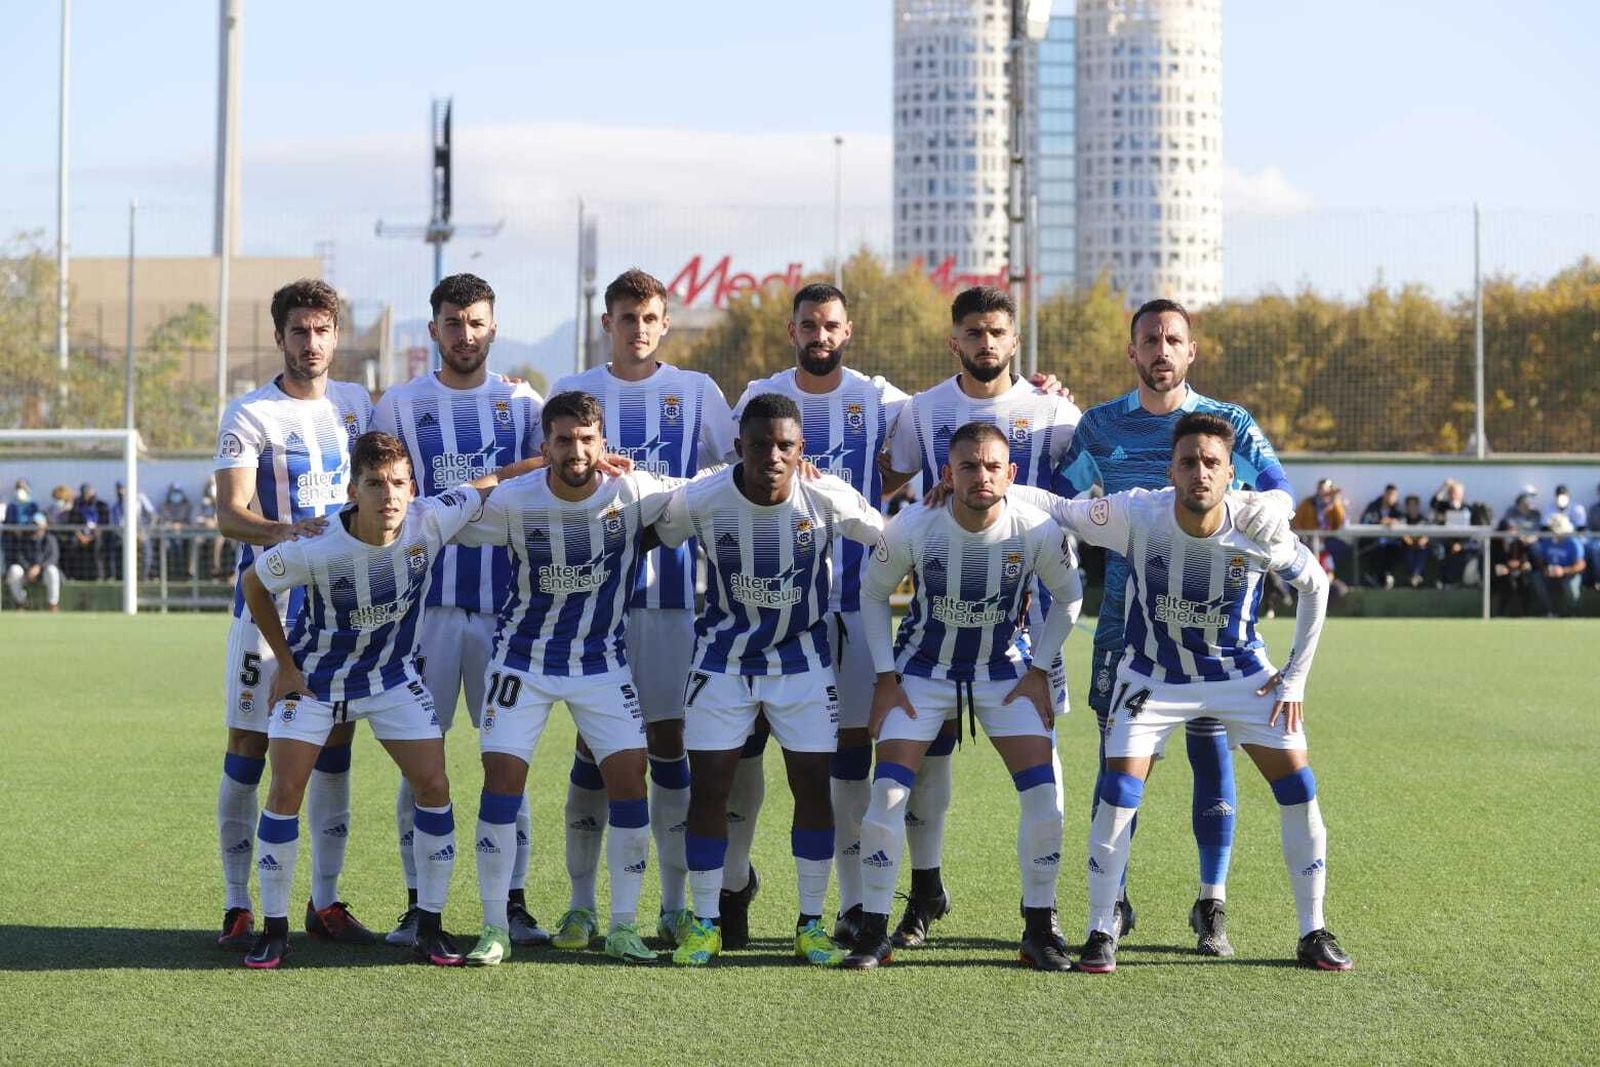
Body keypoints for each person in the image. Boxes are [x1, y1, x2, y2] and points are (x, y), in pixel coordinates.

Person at [1043, 412, 1347, 974]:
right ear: (1171, 470)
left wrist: (1296, 676)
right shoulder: (1137, 512)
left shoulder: (1258, 523)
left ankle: (1313, 930)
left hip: (1240, 674)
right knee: (1118, 791)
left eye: (1212, 463)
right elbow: (1056, 507)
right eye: (1188, 462)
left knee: (1300, 787)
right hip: (1153, 677)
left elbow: (1316, 585)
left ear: (1231, 474)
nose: (1199, 473)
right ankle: (1099, 930)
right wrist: (979, 486)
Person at [1051, 297, 1293, 957]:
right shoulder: (1100, 428)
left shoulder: (1228, 424)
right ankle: (1114, 904)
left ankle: (1211, 902)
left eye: (1173, 339)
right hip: (1127, 637)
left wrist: (1267, 506)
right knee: (1120, 770)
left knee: (1213, 757)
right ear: (1132, 352)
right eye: (1150, 339)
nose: (1162, 349)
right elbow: (1058, 503)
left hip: (1215, 637)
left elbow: (1279, 489)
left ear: (1191, 351)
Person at [238, 431, 524, 968]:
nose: (388, 495)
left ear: (412, 487)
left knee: (435, 786)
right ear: (353, 489)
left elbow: (494, 481)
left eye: (397, 483)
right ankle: (274, 930)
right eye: (374, 484)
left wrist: (574, 460)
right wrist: (286, 665)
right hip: (318, 684)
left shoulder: (430, 519)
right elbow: (255, 581)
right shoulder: (318, 544)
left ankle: (430, 926)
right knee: (284, 792)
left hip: (391, 681)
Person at [452, 391, 691, 966]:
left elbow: (704, 490)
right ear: (547, 447)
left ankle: (624, 926)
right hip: (522, 663)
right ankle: (494, 927)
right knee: (501, 784)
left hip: (602, 664)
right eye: (564, 440)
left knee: (631, 783)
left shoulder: (634, 491)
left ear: (604, 444)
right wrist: (512, 471)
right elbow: (450, 513)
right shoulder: (515, 499)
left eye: (587, 439)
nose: (576, 450)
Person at [651, 392, 885, 967]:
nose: (772, 456)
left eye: (785, 446)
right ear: (740, 447)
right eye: (760, 445)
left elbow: (890, 539)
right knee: (710, 790)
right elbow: (658, 531)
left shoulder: (826, 496)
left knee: (812, 789)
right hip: (721, 663)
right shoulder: (704, 497)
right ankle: (704, 921)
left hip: (804, 661)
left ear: (801, 449)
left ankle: (810, 923)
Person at [880, 284, 1081, 949]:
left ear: (1014, 339)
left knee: (1049, 781)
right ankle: (923, 891)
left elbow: (1084, 491)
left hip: (1025, 627)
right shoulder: (924, 407)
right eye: (974, 332)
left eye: (998, 332)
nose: (986, 343)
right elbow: (887, 478)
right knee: (926, 772)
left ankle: (1060, 913)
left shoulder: (1052, 408)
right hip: (934, 627)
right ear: (954, 339)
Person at [845, 422, 1082, 971]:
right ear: (947, 475)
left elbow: (1069, 598)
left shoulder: (1038, 529)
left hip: (1006, 671)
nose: (981, 476)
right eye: (969, 467)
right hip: (923, 671)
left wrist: (1040, 669)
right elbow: (872, 593)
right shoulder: (913, 526)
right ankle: (875, 930)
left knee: (1044, 797)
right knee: (887, 794)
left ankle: (1039, 927)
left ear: (1011, 474)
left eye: (993, 467)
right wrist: (885, 676)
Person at [546, 269, 736, 950]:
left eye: (649, 316)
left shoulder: (697, 393)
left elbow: (731, 477)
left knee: (668, 746)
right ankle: (579, 906)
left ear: (665, 322)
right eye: (626, 316)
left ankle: (675, 904)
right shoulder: (577, 395)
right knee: (592, 752)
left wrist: (651, 486)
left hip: (676, 602)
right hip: (596, 609)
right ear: (607, 323)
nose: (638, 327)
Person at [371, 273, 551, 949]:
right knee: (423, 759)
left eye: (476, 322)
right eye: (453, 321)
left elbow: (550, 482)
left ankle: (514, 900)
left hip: (508, 612)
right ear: (434, 330)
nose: (465, 334)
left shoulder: (523, 403)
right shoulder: (401, 403)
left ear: (493, 328)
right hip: (424, 614)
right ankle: (422, 904)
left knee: (509, 756)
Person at [727, 282, 910, 946]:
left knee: (848, 759)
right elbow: (726, 484)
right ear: (792, 330)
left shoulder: (878, 397)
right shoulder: (758, 395)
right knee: (744, 752)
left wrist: (1042, 388)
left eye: (831, 325)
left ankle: (854, 906)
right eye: (809, 325)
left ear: (848, 329)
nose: (820, 335)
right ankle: (733, 884)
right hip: (764, 614)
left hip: (853, 608)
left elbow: (955, 426)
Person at [211, 279, 374, 952]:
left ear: (337, 335)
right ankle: (237, 904)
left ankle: (326, 901)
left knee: (336, 749)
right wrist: (291, 533)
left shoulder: (359, 404)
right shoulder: (250, 413)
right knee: (249, 747)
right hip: (267, 610)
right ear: (280, 337)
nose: (312, 343)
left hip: (342, 616)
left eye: (322, 330)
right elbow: (229, 514)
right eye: (299, 331)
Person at [1531, 514, 1586, 617]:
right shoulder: (1547, 541)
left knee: (1570, 585)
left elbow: (1581, 564)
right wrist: (1546, 569)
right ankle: (1550, 612)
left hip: (1569, 573)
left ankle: (1572, 613)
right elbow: (1540, 560)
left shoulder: (1573, 543)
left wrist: (1563, 571)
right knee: (1537, 577)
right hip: (1550, 574)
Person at [5, 513, 61, 610]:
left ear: (44, 525)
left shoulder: (50, 539)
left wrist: (39, 568)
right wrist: (28, 569)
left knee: (52, 571)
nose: (36, 527)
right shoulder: (23, 538)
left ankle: (52, 604)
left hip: (43, 573)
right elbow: (19, 556)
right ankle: (20, 602)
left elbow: (53, 557)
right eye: (34, 524)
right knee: (14, 570)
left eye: (38, 524)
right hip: (27, 573)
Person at [1358, 484, 1403, 588]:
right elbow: (1364, 522)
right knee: (1379, 548)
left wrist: (1395, 521)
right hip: (1371, 542)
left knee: (1396, 548)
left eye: (1394, 496)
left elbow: (1402, 520)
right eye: (1390, 495)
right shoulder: (1373, 507)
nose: (1392, 498)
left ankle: (1386, 577)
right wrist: (1379, 522)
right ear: (1385, 494)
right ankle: (1378, 578)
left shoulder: (1396, 509)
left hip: (1390, 543)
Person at [1398, 494, 1431, 588]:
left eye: (1414, 505)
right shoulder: (1403, 520)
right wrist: (1410, 542)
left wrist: (1421, 541)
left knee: (1422, 552)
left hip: (1421, 547)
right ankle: (1414, 577)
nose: (1412, 507)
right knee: (1408, 552)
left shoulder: (1424, 520)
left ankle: (1415, 576)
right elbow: (1403, 535)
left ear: (1418, 506)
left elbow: (1427, 536)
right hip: (1407, 547)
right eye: (1410, 505)